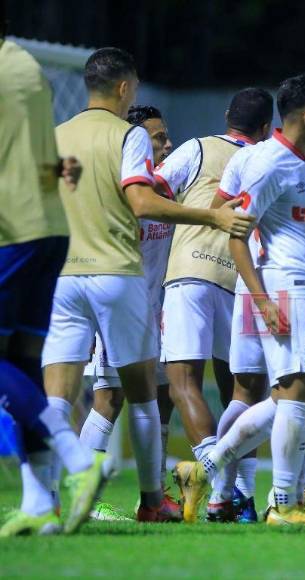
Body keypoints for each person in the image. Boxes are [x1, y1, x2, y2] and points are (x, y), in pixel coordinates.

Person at [40, 47, 253, 523]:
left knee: (59, 394)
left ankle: (51, 496)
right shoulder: (128, 138)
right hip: (116, 279)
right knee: (130, 396)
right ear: (123, 88)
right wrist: (211, 216)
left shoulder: (55, 136)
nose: (164, 143)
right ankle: (150, 501)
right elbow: (139, 202)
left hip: (66, 278)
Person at [177, 72, 305, 526]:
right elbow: (236, 233)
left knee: (291, 398)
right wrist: (264, 300)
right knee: (294, 398)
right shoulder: (273, 164)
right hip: (283, 288)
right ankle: (283, 504)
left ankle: (204, 470)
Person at [0, 21, 113, 537]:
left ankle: (78, 458)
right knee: (20, 363)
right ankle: (39, 501)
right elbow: (51, 162)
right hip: (50, 229)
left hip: (11, 229)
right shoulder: (25, 65)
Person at [151, 88, 273, 523]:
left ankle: (207, 474)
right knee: (240, 392)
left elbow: (152, 190)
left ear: (227, 116)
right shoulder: (266, 159)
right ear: (265, 128)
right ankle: (240, 498)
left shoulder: (198, 148)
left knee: (183, 381)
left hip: (188, 270)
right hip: (240, 278)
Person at [80, 104, 179, 522]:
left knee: (164, 398)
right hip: (118, 308)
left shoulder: (169, 189)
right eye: (158, 137)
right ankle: (85, 494)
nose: (167, 143)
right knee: (109, 398)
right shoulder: (120, 193)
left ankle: (151, 498)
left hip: (158, 314)